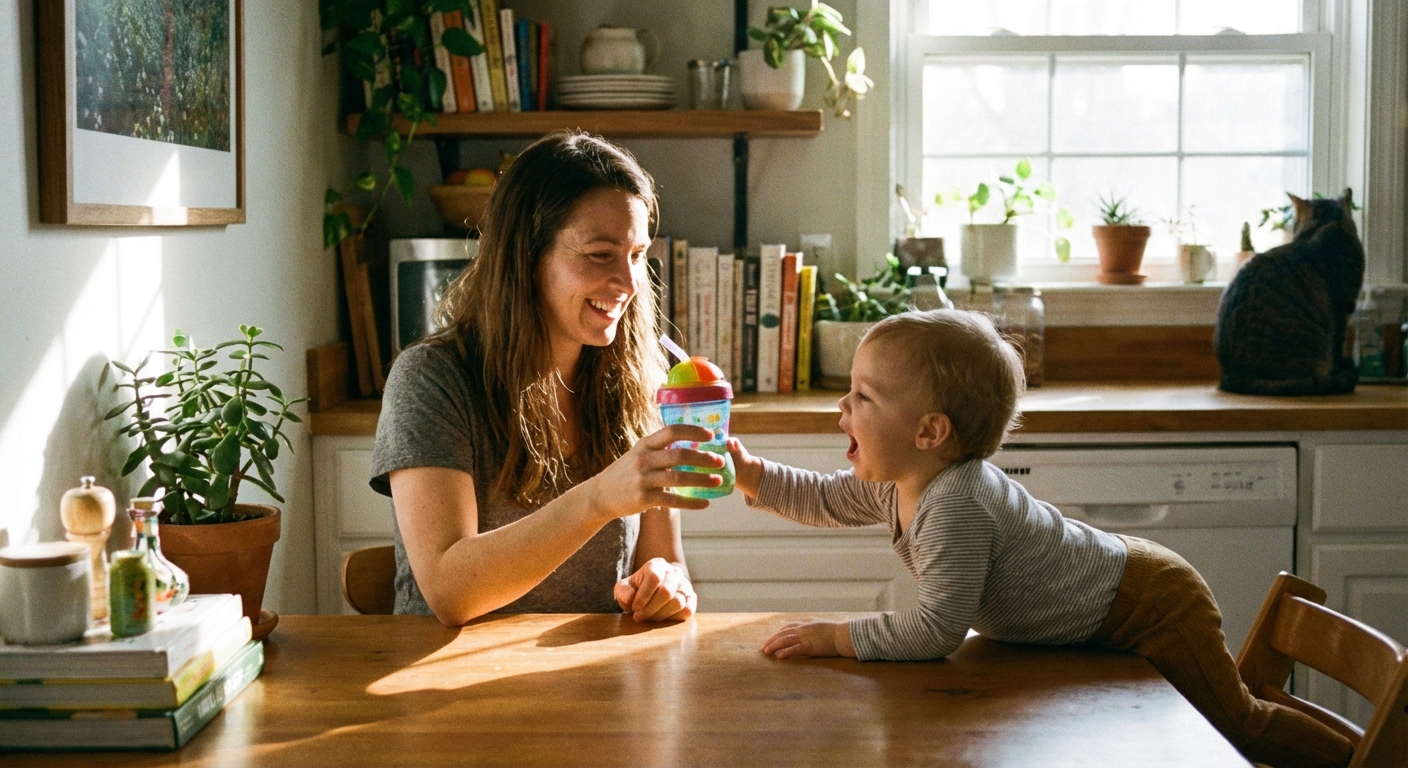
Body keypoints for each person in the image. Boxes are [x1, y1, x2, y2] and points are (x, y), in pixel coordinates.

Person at [725, 309, 1353, 768]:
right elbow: (826, 498)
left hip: (1153, 604)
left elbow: (936, 629)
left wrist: (838, 635)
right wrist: (750, 475)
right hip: (1118, 597)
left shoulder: (954, 503)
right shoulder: (902, 479)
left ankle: (1365, 759)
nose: (842, 406)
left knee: (1236, 725)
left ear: (929, 431)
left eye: (863, 397)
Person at [370, 131, 725, 625]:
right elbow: (451, 592)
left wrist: (666, 585)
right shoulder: (431, 381)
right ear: (527, 257)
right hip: (441, 676)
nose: (628, 283)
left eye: (638, 255)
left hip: (589, 681)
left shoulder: (638, 380)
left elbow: (661, 562)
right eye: (600, 254)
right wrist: (600, 497)